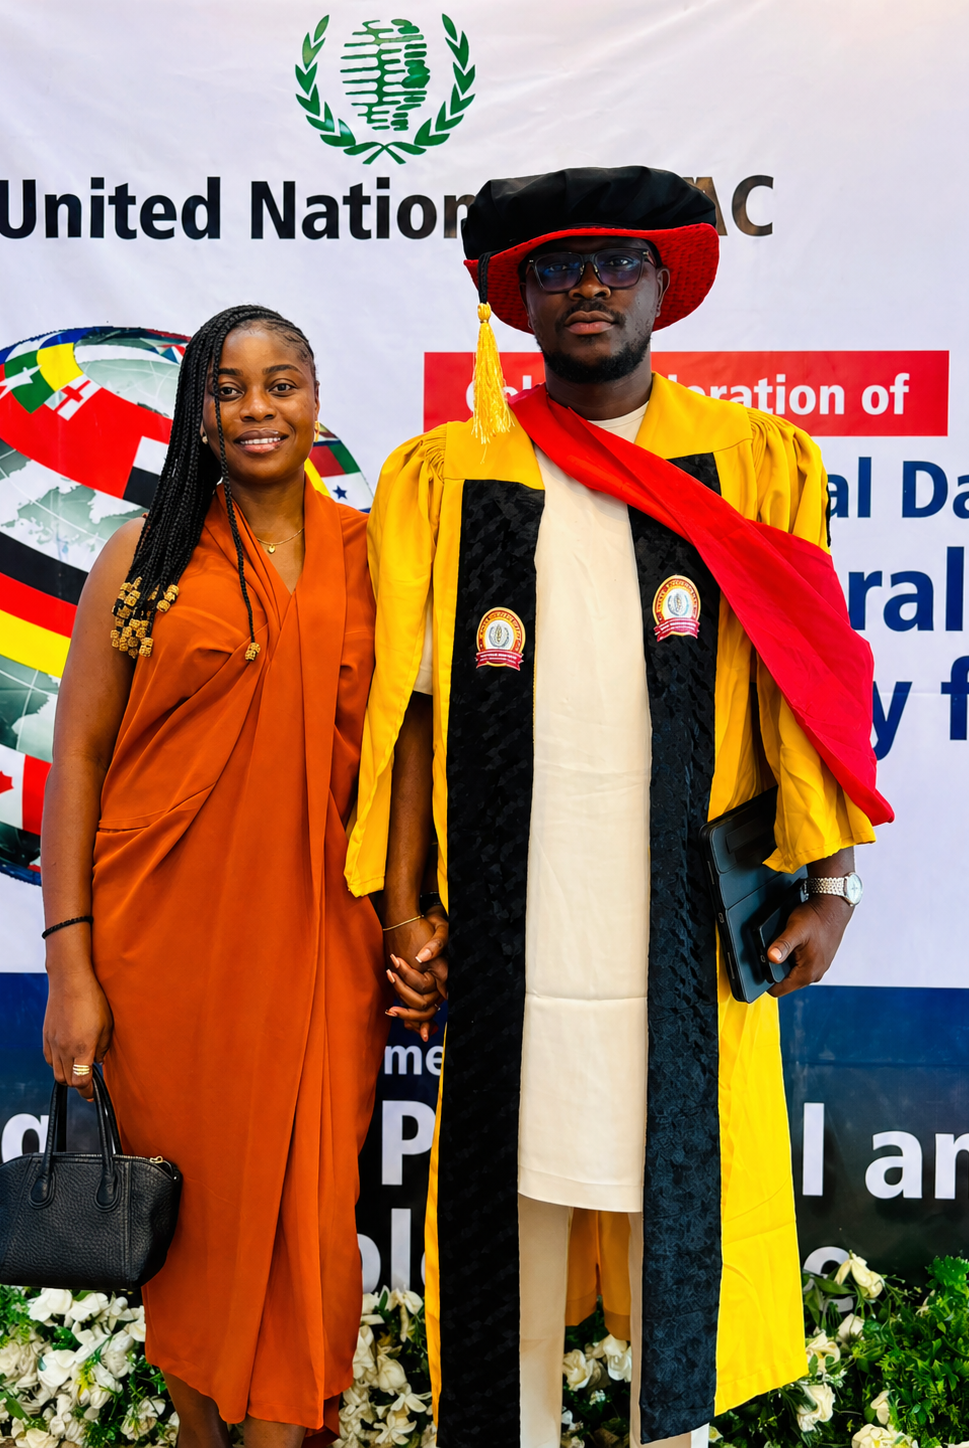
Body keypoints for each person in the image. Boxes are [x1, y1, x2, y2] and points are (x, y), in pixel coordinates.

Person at [345, 168, 893, 1447]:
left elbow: (810, 680)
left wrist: (833, 881)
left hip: (686, 919)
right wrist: (411, 905)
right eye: (557, 268)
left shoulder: (751, 461)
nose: (589, 287)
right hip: (507, 922)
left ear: (665, 287)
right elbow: (412, 712)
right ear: (516, 298)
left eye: (618, 265)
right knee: (505, 1204)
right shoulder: (444, 475)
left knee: (678, 1189)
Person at [40, 304, 412, 1448]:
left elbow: (405, 757)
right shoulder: (141, 559)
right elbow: (81, 759)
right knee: (195, 1235)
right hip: (167, 962)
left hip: (322, 953)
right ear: (196, 411)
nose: (258, 408)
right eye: (231, 388)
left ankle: (289, 1430)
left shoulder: (374, 555)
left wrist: (409, 923)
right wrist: (71, 966)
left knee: (309, 1214)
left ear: (316, 396)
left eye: (283, 382)